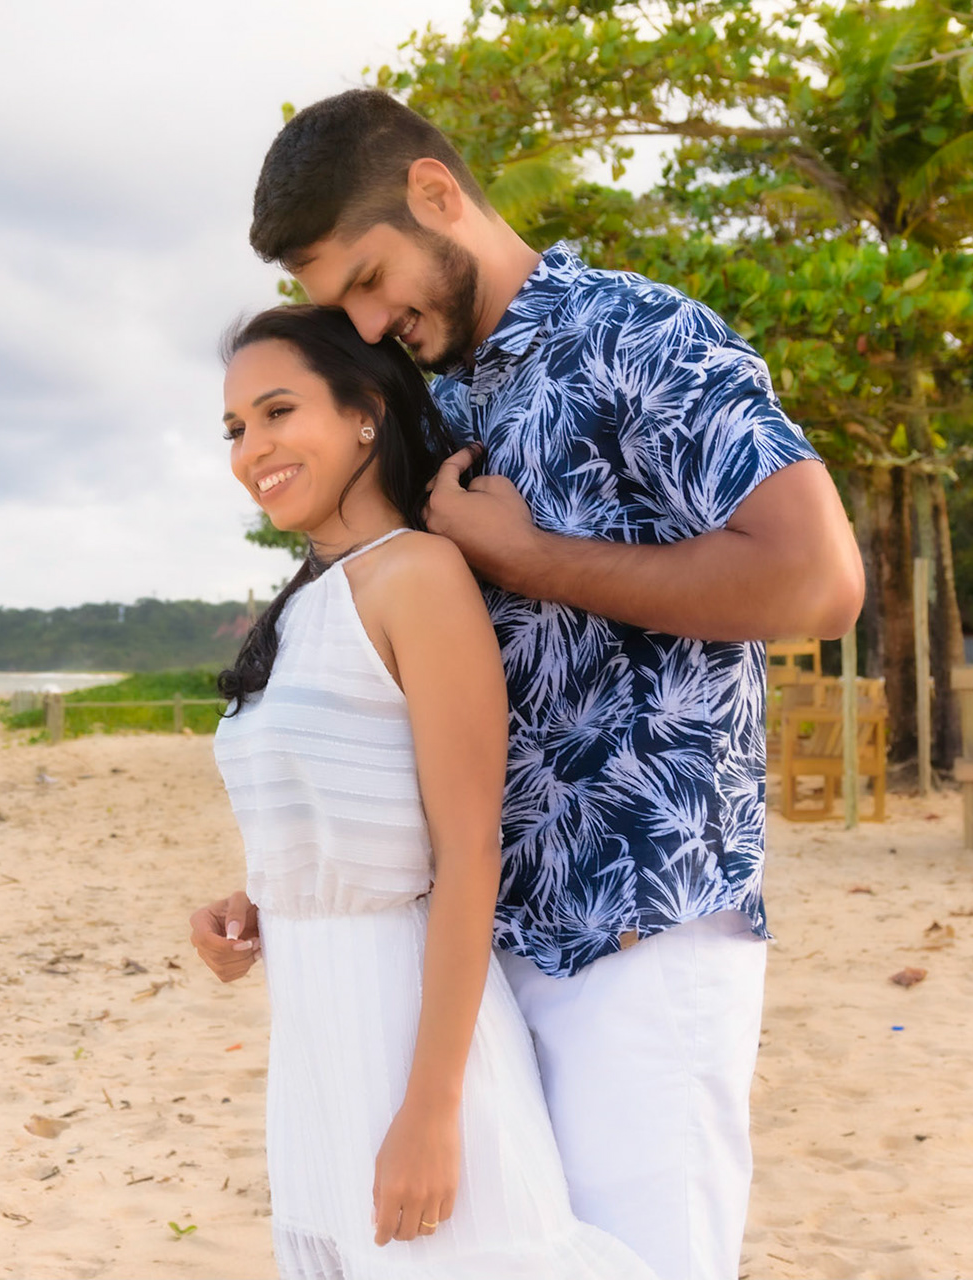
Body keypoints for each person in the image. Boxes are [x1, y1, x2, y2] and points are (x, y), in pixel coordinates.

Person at [197, 89, 866, 1280]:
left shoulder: (640, 334)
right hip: (467, 958)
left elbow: (819, 580)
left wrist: (529, 557)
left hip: (639, 922)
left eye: (369, 276)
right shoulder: (424, 394)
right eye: (337, 300)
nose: (364, 317)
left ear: (437, 194)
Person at [199, 304, 657, 1279]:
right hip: (313, 1040)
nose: (252, 448)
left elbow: (467, 851)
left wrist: (433, 1105)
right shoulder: (303, 603)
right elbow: (341, 821)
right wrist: (253, 909)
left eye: (279, 411)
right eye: (236, 427)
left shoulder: (418, 574)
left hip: (412, 1029)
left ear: (366, 411)